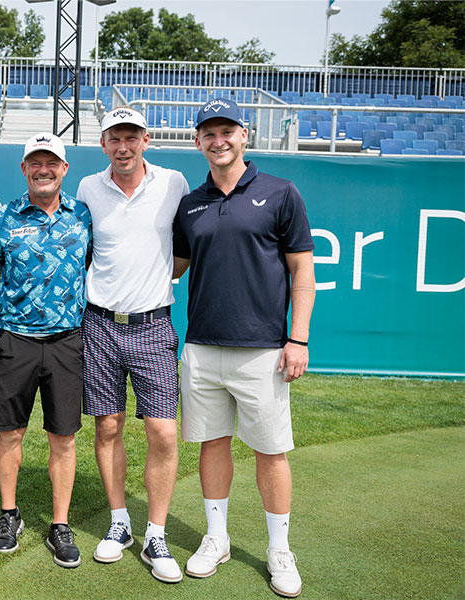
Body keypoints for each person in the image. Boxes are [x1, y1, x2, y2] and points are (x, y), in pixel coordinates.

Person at [172, 97, 315, 598]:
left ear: (244, 134)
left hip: (263, 349)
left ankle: (279, 548)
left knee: (270, 450)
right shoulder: (190, 203)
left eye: (226, 131)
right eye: (208, 133)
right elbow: (172, 267)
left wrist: (297, 338)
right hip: (202, 347)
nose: (218, 140)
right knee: (212, 444)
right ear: (198, 142)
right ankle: (216, 539)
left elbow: (302, 273)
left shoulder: (280, 193)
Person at [75, 106, 189, 583]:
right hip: (99, 324)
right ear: (103, 144)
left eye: (131, 137)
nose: (122, 147)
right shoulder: (87, 188)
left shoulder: (174, 183)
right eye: (113, 139)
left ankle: (156, 533)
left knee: (163, 431)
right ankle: (120, 522)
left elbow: (182, 254)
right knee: (107, 427)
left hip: (152, 325)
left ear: (146, 140)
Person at [0, 133, 92, 569]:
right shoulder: (4, 217)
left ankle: (59, 525)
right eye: (35, 162)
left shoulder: (82, 216)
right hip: (16, 340)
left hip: (67, 342)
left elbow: (90, 264)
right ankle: (9, 514)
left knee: (63, 437)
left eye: (52, 162)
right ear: (24, 168)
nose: (43, 169)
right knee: (10, 432)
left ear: (64, 169)